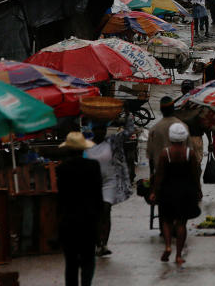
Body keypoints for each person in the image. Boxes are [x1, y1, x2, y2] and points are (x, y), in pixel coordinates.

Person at [85, 116, 138, 256]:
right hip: (92, 183)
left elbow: (130, 130)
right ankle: (97, 243)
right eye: (97, 129)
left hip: (109, 182)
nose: (100, 132)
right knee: (96, 214)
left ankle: (104, 243)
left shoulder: (112, 142)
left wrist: (127, 115)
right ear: (92, 130)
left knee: (106, 210)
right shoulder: (85, 144)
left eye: (103, 129)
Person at [150, 123, 202, 265]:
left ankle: (167, 246)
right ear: (184, 138)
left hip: (167, 191)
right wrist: (198, 189)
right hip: (185, 191)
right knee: (181, 223)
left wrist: (154, 192)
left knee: (166, 220)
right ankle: (178, 255)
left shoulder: (165, 153)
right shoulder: (189, 153)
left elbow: (159, 175)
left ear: (171, 138)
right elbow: (195, 174)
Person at [57, 132, 104, 286]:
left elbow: (61, 198)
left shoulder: (62, 169)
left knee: (71, 262)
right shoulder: (93, 166)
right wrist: (100, 221)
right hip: (89, 221)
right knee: (88, 260)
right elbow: (98, 195)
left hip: (68, 221)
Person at [147, 96, 185, 172]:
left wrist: (152, 175)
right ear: (173, 109)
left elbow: (151, 155)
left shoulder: (154, 129)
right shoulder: (182, 127)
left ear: (161, 110)